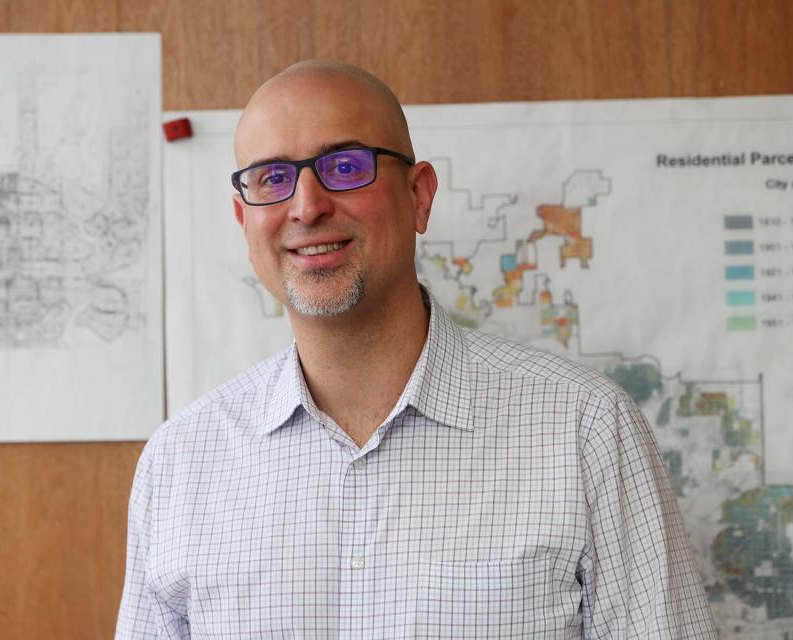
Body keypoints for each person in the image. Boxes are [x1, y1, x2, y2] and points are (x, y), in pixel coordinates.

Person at [116, 60, 716, 638]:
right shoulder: (179, 464)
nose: (306, 206)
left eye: (345, 166)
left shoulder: (585, 431)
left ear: (420, 194)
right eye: (272, 179)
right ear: (243, 219)